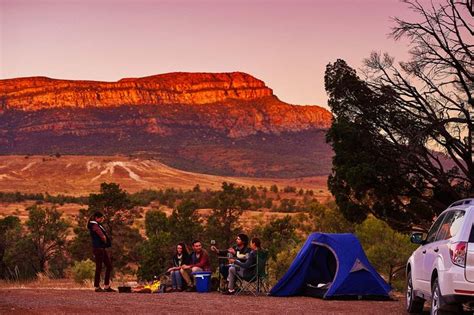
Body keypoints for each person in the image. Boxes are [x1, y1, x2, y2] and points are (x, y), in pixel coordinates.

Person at [87, 212, 116, 292]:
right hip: (98, 248)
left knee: (108, 266)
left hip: (101, 248)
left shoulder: (95, 225)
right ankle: (97, 287)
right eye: (101, 218)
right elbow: (101, 235)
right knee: (99, 267)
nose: (101, 219)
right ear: (96, 218)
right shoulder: (95, 225)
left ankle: (106, 286)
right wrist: (104, 240)